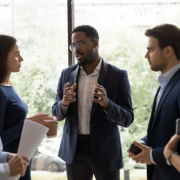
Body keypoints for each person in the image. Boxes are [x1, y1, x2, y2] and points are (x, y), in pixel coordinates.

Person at [52, 25, 134, 180]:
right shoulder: (66, 74)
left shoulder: (117, 76)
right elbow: (56, 112)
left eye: (80, 43)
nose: (75, 49)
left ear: (95, 43)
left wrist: (108, 104)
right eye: (73, 45)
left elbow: (128, 118)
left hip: (106, 151)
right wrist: (63, 103)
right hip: (74, 151)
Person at [127, 24, 180, 180]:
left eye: (150, 49)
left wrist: (152, 155)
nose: (146, 55)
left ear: (168, 51)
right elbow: (167, 129)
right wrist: (145, 142)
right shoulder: (165, 83)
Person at [0, 34, 55, 180]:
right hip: (8, 166)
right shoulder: (0, 92)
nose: (22, 59)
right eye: (16, 54)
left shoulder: (9, 86)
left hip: (20, 161)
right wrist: (28, 122)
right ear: (2, 56)